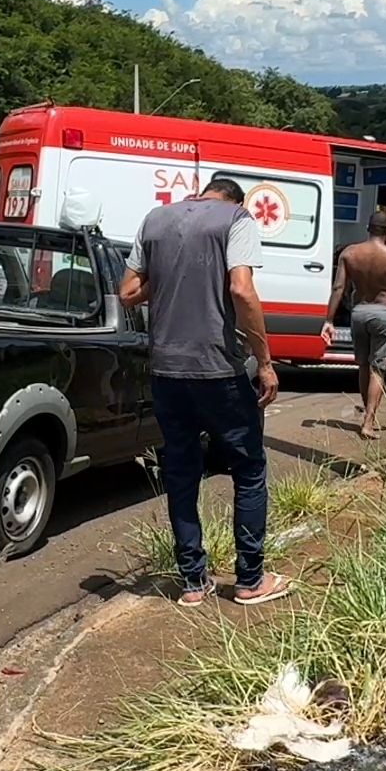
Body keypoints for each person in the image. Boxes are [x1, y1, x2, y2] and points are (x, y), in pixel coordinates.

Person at [119, 178, 289, 608]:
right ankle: (250, 580)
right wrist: (265, 361)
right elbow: (241, 289)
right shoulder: (237, 219)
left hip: (166, 371)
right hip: (217, 370)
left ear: (201, 195)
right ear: (233, 199)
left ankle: (193, 583)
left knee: (180, 471)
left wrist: (170, 278)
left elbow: (127, 294)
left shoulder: (154, 220)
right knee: (249, 470)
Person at [319, 211, 386, 440]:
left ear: (368, 228)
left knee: (363, 365)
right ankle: (368, 421)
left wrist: (329, 320)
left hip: (359, 314)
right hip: (384, 313)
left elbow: (338, 288)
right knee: (378, 367)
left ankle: (368, 412)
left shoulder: (350, 254)